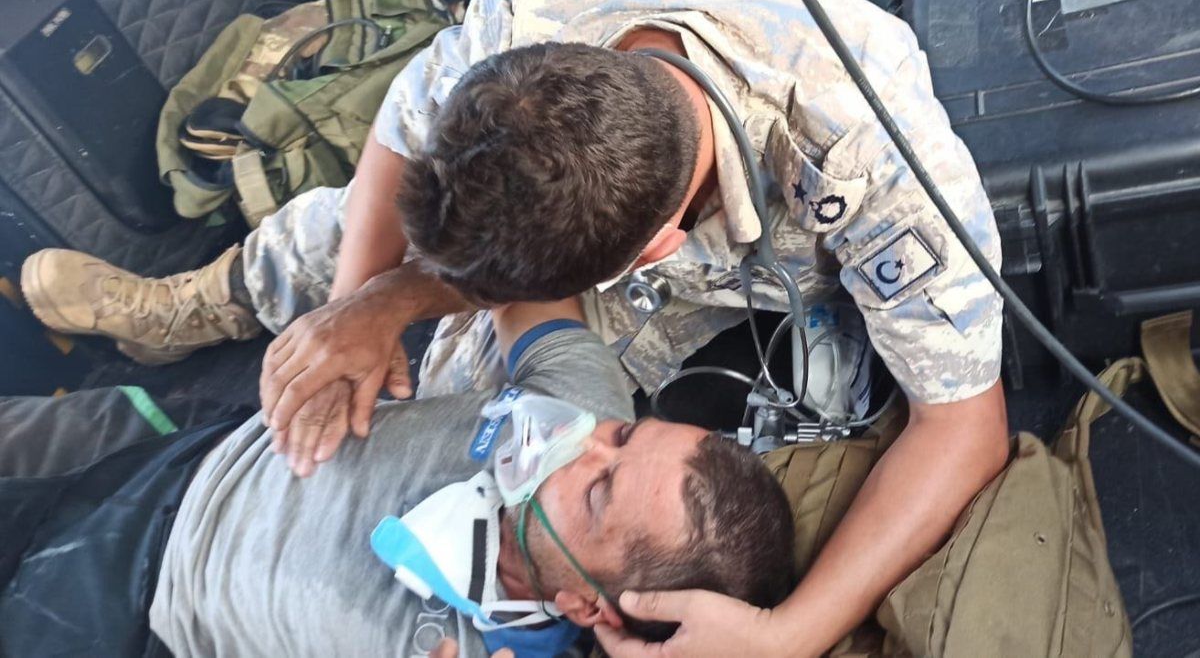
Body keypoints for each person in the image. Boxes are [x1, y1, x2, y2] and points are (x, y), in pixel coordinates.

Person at [19, 0, 1011, 653]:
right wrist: (357, 315)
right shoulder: (534, 16)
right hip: (595, 217)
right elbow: (400, 144)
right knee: (359, 236)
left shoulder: (872, 154)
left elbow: (964, 424)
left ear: (649, 250)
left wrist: (791, 635)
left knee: (489, 449)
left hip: (735, 269)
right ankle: (192, 306)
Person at [0, 299, 794, 657]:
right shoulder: (580, 403)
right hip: (197, 448)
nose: (579, 444)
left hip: (118, 606)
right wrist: (381, 303)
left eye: (596, 491)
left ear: (586, 604)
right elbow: (528, 278)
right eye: (624, 436)